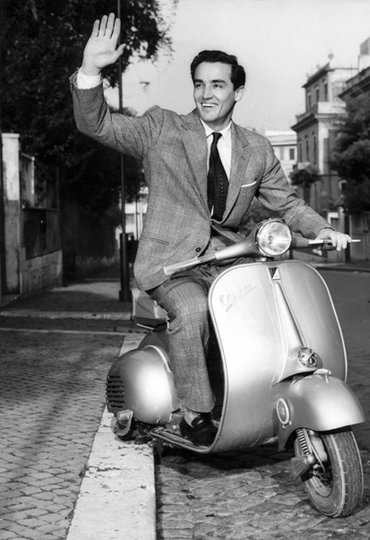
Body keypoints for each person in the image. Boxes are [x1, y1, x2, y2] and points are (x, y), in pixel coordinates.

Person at [71, 13, 352, 445]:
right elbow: (99, 124)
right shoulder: (163, 127)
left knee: (270, 306)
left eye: (217, 85)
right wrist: (91, 71)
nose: (206, 94)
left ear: (237, 91)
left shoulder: (256, 149)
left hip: (228, 258)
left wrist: (323, 230)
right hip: (172, 264)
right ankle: (196, 412)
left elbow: (288, 203)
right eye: (199, 84)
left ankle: (257, 393)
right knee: (195, 310)